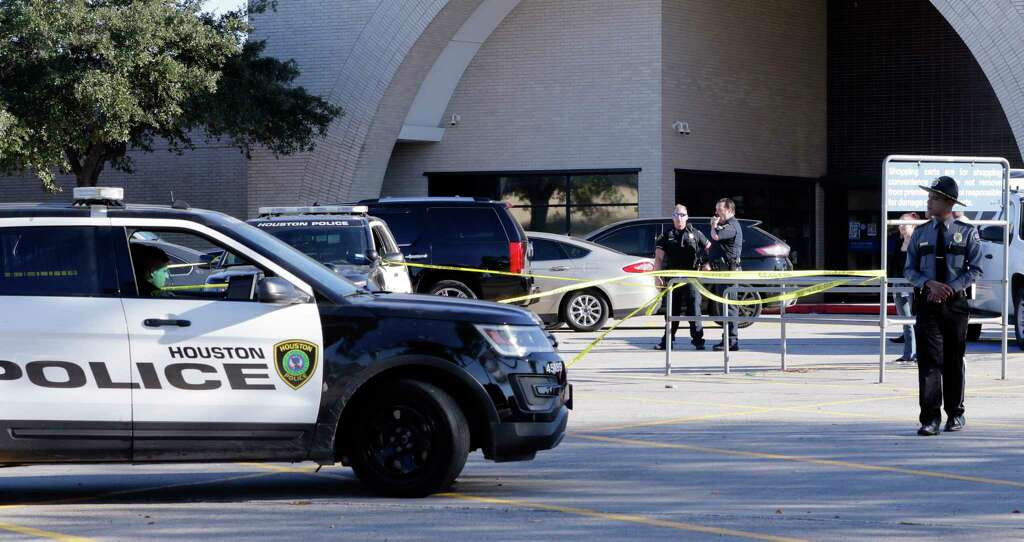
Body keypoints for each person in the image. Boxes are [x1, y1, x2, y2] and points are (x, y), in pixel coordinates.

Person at [904, 176, 982, 436]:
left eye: (934, 198)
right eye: (929, 197)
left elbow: (976, 268)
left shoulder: (967, 232)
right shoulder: (921, 233)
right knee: (928, 362)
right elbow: (909, 270)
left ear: (948, 202)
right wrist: (929, 284)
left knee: (952, 359)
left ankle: (955, 414)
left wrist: (951, 287)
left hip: (955, 304)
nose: (929, 202)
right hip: (927, 303)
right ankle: (929, 418)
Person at [654, 204, 711, 350]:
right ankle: (667, 340)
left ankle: (698, 341)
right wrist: (657, 276)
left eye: (682, 215)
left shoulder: (696, 233)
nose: (679, 218)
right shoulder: (666, 235)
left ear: (687, 217)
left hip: (692, 277)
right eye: (676, 215)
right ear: (673, 217)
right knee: (672, 310)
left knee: (694, 308)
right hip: (673, 278)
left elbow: (710, 249)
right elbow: (659, 258)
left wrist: (706, 264)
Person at [709, 198, 743, 351]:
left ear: (729, 210)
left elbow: (715, 236)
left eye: (720, 210)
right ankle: (728, 339)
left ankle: (732, 341)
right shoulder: (726, 225)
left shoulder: (731, 226)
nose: (716, 213)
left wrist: (714, 225)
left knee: (729, 307)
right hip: (723, 271)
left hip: (729, 271)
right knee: (724, 306)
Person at [888, 212, 919, 363]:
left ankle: (915, 353)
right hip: (898, 284)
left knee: (914, 320)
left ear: (913, 225)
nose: (900, 227)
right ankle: (908, 353)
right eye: (899, 224)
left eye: (904, 224)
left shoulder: (918, 242)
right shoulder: (897, 242)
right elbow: (893, 263)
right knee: (905, 321)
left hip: (915, 285)